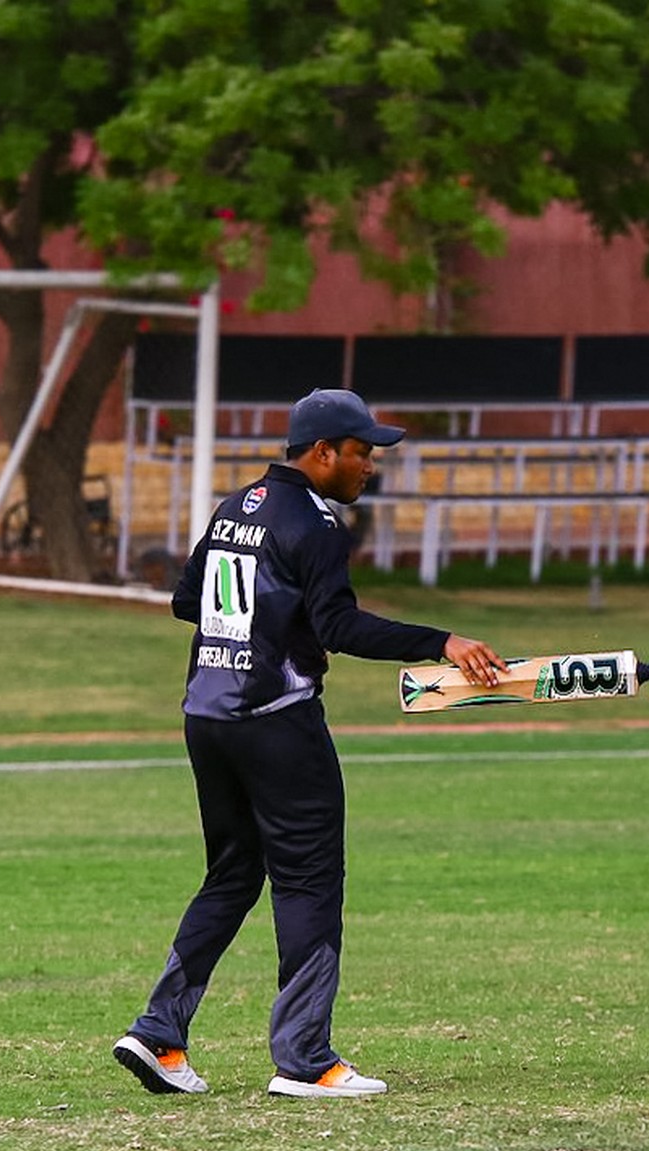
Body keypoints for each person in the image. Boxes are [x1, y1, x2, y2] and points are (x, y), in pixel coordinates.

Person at [113, 387, 506, 1100]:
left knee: (233, 874)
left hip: (208, 716)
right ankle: (304, 1060)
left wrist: (265, 626)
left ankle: (159, 1033)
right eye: (361, 453)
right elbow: (339, 626)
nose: (369, 466)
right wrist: (442, 641)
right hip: (278, 722)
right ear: (322, 453)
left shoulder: (236, 507)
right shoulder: (316, 523)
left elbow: (186, 601)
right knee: (309, 880)